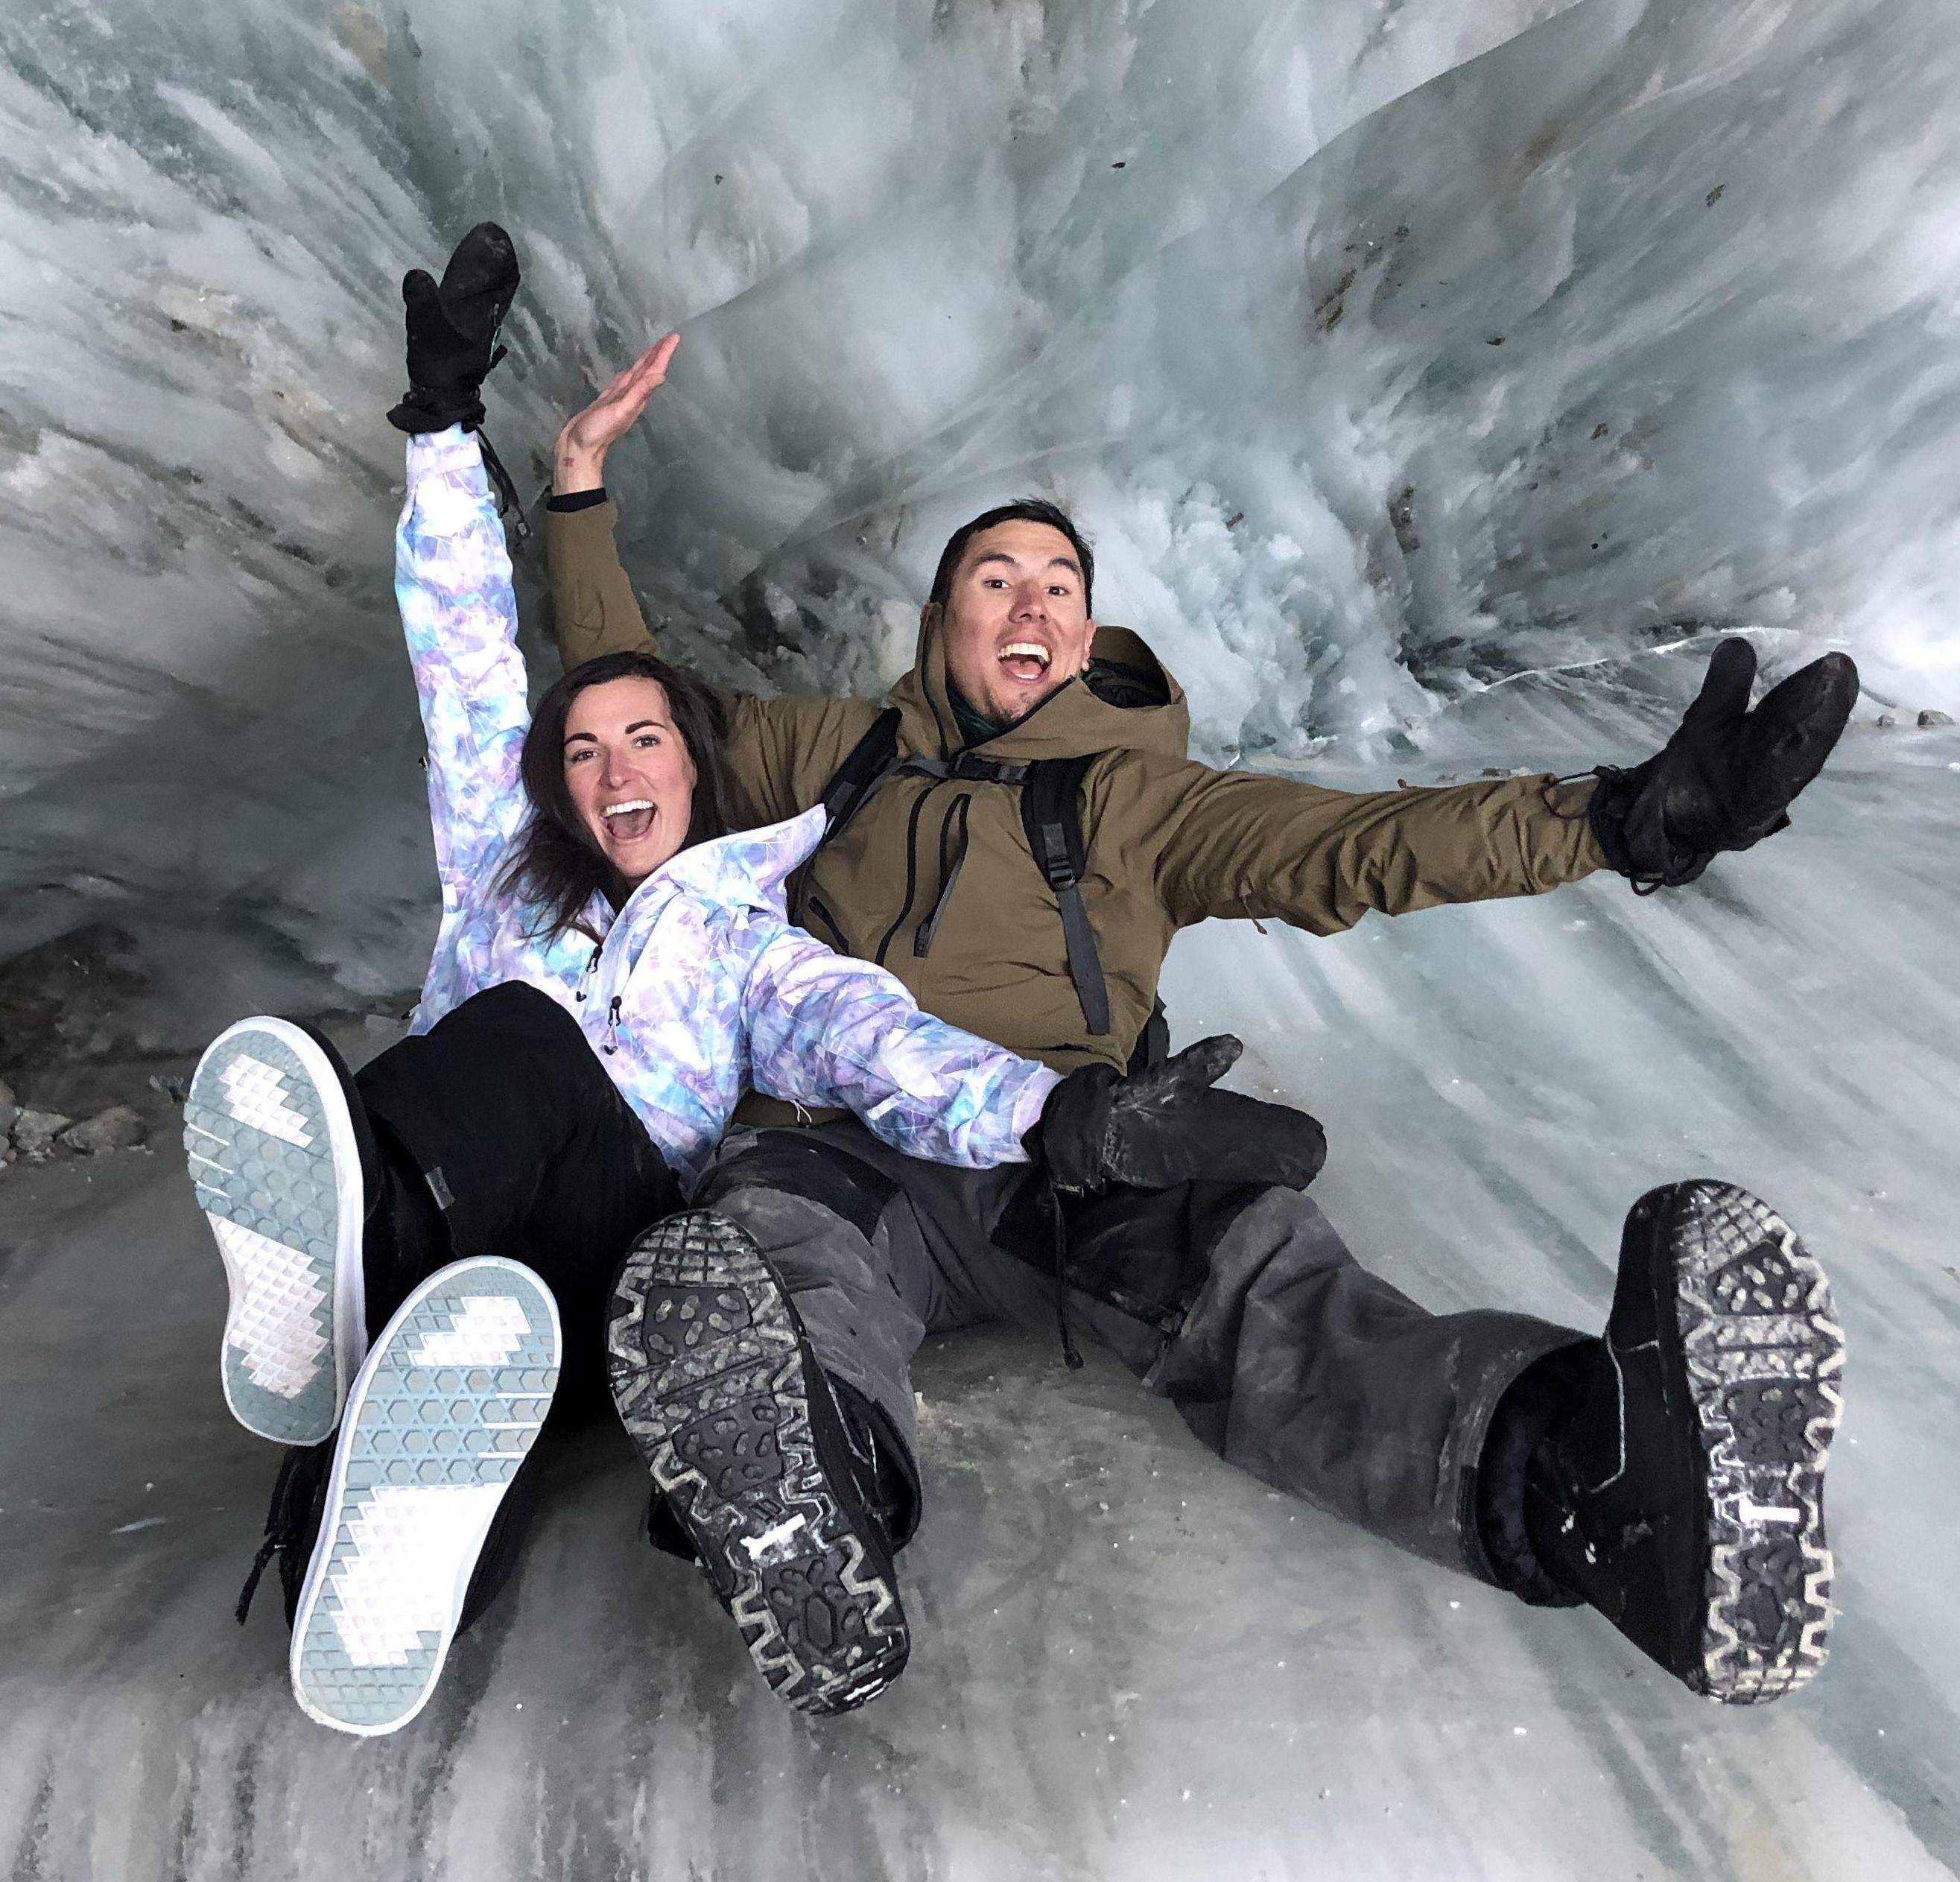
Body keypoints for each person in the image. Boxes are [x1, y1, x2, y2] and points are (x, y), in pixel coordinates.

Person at [543, 317, 1858, 1712]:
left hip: (1066, 1146)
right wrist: (576, 483)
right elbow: (638, 717)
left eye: (1061, 586)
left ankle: (1593, 1485)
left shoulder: (1135, 799)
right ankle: (814, 1515)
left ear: (1091, 631)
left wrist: (1614, 820)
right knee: (768, 1262)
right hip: (842, 1141)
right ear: (941, 624)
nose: (1033, 606)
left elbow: (1359, 846)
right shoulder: (831, 753)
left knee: (1262, 1283)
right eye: (997, 578)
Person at [184, 226, 1323, 1737]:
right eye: (581, 749)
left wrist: (1059, 1118)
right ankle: (370, 1535)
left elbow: (880, 1041)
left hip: (610, 1224)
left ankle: (352, 1277)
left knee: (512, 1213)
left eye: (646, 736)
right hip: (465, 1213)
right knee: (463, 1355)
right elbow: (464, 662)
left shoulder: (743, 932)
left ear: (698, 773)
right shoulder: (501, 871)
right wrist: (444, 430)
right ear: (556, 789)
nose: (612, 764)